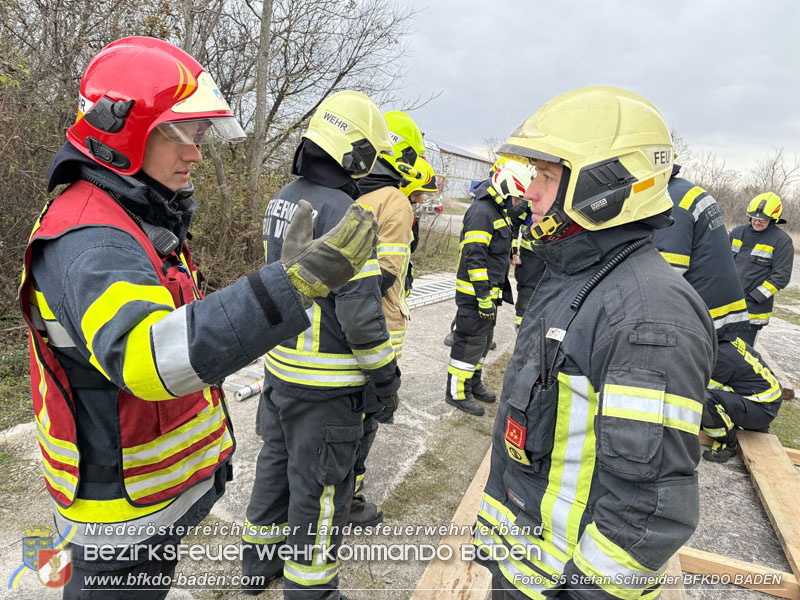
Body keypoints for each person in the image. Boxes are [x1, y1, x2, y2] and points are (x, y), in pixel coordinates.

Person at [18, 37, 377, 600]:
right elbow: (148, 355)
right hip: (118, 521)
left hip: (140, 506)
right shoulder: (92, 240)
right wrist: (291, 286)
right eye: (185, 135)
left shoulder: (131, 215)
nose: (196, 155)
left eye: (202, 138)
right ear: (127, 129)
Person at [474, 87, 715, 598]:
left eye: (547, 177)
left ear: (606, 185)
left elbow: (648, 510)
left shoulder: (649, 315)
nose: (530, 193)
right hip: (525, 571)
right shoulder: (573, 274)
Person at [242, 90, 401, 599]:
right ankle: (311, 589)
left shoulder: (282, 197)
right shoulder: (350, 214)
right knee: (320, 490)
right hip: (327, 385)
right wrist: (386, 378)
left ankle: (257, 565)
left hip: (280, 371)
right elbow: (360, 316)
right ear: (358, 153)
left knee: (274, 467)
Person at [349, 110, 424, 526]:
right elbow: (386, 274)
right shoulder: (392, 199)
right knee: (366, 416)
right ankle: (351, 498)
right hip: (379, 326)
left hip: (344, 327)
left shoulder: (351, 190)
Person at [445, 160, 532, 417]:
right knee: (468, 342)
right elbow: (474, 257)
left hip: (487, 296)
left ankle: (473, 383)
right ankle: (457, 393)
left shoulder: (498, 210)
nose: (517, 204)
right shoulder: (482, 212)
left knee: (482, 342)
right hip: (475, 295)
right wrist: (482, 295)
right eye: (516, 198)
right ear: (506, 189)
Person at [653, 165, 750, 339]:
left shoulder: (668, 200)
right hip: (717, 309)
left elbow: (668, 271)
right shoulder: (684, 191)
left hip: (702, 314)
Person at [702, 337, 782, 462]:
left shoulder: (721, 356)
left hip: (761, 408)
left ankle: (726, 444)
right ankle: (755, 426)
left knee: (705, 400)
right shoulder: (726, 340)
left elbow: (701, 390)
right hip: (764, 401)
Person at [730, 193, 795, 345]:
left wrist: (754, 297)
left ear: (773, 219)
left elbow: (781, 277)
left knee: (743, 354)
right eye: (754, 217)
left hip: (753, 311)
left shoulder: (782, 241)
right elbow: (722, 261)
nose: (757, 221)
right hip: (728, 304)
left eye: (763, 219)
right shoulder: (737, 232)